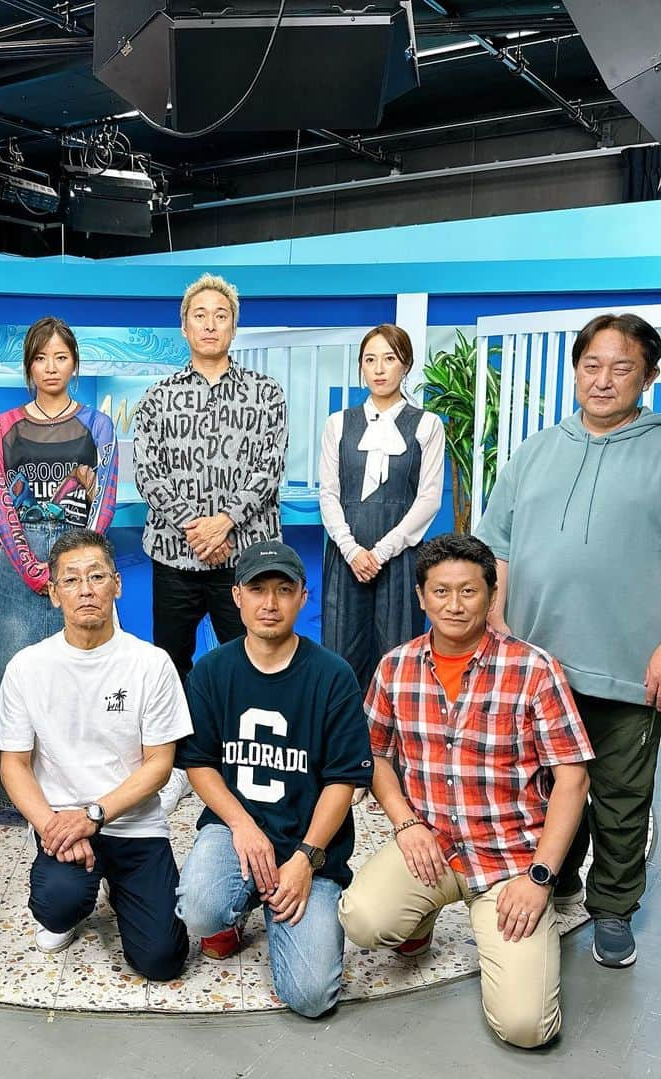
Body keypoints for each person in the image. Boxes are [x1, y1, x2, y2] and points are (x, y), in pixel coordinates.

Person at [338, 534, 593, 1049]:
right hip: (432, 846)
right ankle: (423, 915)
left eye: (469, 592)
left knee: (526, 1029)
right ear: (421, 596)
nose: (454, 605)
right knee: (362, 919)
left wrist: (540, 877)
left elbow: (573, 778)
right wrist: (406, 824)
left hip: (511, 862)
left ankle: (520, 931)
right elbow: (377, 756)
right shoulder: (395, 667)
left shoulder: (533, 669)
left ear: (491, 596)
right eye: (441, 592)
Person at [476, 311, 661, 970]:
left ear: (649, 374)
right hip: (538, 663)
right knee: (548, 784)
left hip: (627, 664)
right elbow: (496, 541)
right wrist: (496, 615)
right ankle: (562, 873)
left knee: (620, 796)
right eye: (591, 365)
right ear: (575, 369)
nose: (603, 380)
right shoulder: (536, 448)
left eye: (621, 367)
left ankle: (613, 908)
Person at [174, 541, 372, 1018]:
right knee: (200, 908)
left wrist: (304, 859)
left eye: (284, 590)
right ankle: (236, 907)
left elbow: (342, 781)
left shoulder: (333, 675)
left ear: (303, 597)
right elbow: (199, 763)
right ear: (237, 595)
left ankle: (279, 899)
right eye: (258, 589)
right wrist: (242, 826)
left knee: (311, 999)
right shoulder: (211, 671)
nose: (270, 603)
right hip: (237, 829)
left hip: (309, 843)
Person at [0, 529, 190, 981]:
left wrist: (94, 815)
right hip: (59, 822)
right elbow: (13, 765)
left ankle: (122, 886)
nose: (85, 590)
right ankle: (73, 890)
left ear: (116, 584)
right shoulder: (28, 667)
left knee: (161, 961)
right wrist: (52, 827)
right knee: (56, 908)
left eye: (96, 576)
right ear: (54, 594)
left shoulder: (150, 663)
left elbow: (159, 763)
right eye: (71, 580)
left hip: (134, 823)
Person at [134, 274, 288, 811]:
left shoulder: (266, 394)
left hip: (243, 558)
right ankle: (175, 765)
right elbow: (148, 472)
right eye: (199, 314)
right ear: (184, 325)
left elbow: (269, 469)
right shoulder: (157, 397)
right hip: (175, 555)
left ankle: (242, 763)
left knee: (249, 658)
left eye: (220, 314)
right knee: (171, 664)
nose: (210, 324)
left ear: (234, 324)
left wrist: (224, 523)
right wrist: (195, 528)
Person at [0, 317, 117, 800]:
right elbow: (0, 502)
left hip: (81, 553)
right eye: (41, 358)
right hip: (21, 560)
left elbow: (103, 498)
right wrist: (35, 570)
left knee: (82, 672)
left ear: (74, 363)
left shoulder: (97, 424)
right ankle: (13, 794)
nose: (51, 367)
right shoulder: (5, 425)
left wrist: (70, 569)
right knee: (16, 674)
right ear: (28, 366)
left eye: (61, 357)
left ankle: (79, 785)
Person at [319, 323, 445, 693]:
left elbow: (429, 499)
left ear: (405, 365)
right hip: (346, 556)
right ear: (360, 366)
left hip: (401, 556)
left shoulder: (427, 424)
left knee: (399, 651)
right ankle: (342, 745)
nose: (379, 369)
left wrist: (382, 551)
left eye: (389, 359)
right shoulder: (338, 423)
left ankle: (394, 746)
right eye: (370, 360)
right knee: (341, 652)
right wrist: (352, 549)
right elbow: (328, 494)